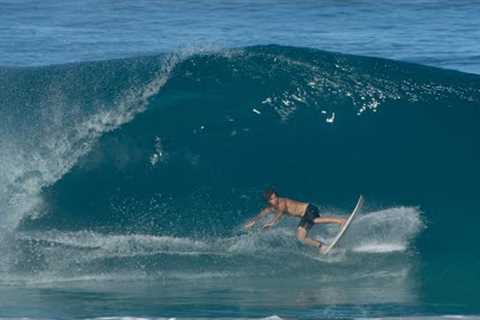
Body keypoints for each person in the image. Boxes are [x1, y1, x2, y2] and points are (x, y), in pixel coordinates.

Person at [244, 188, 346, 252]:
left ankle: (341, 221)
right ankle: (321, 246)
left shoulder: (282, 202)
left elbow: (280, 213)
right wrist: (253, 221)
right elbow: (262, 214)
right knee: (301, 237)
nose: (275, 200)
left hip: (309, 209)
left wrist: (271, 223)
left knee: (314, 220)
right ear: (268, 201)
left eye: (275, 197)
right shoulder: (271, 208)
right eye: (272, 199)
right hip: (305, 216)